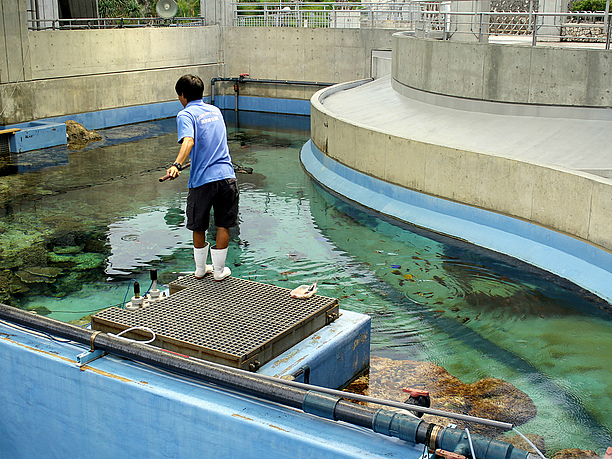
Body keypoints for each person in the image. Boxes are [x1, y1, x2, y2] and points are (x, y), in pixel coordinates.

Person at [166, 74, 239, 281]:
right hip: (226, 176)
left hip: (202, 180)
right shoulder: (216, 111)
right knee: (223, 224)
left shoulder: (185, 114)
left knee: (199, 225)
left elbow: (188, 141)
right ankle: (218, 271)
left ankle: (200, 269)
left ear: (182, 95)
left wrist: (177, 164)